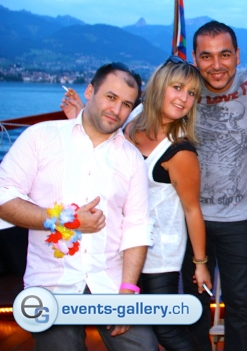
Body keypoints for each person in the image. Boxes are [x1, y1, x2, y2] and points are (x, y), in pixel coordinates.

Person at [0, 63, 157, 350]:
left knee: (143, 345)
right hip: (52, 283)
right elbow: (3, 198)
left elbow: (137, 226)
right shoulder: (41, 137)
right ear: (89, 91)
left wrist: (127, 291)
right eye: (111, 97)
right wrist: (65, 220)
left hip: (110, 281)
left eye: (126, 104)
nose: (116, 110)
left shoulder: (132, 159)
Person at [180, 20, 247, 351]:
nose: (216, 65)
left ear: (237, 55)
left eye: (224, 54)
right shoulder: (182, 88)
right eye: (206, 56)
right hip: (191, 219)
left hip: (241, 219)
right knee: (194, 306)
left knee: (239, 308)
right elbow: (138, 119)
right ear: (194, 58)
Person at [123, 56, 211, 350]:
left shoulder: (180, 151)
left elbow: (192, 210)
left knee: (166, 329)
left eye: (191, 93)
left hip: (160, 251)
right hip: (123, 244)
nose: (184, 98)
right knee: (135, 324)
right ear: (160, 85)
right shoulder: (132, 119)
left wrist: (200, 265)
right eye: (177, 87)